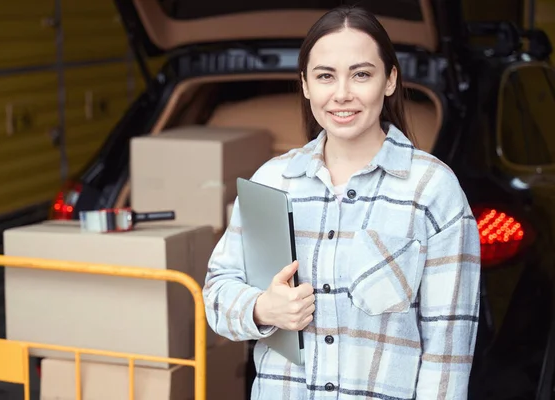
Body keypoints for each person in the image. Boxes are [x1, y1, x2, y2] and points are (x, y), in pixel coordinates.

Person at [202, 5, 481, 399]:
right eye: (325, 76)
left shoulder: (432, 190)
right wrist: (263, 308)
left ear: (389, 80)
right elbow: (216, 292)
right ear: (305, 85)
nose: (342, 94)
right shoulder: (272, 181)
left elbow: (447, 353)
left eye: (361, 74)